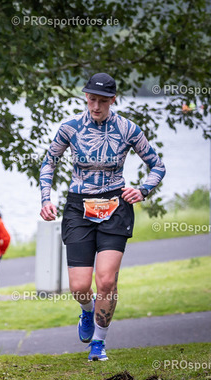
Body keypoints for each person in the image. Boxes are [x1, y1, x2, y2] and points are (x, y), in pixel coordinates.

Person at [39, 72, 166, 361]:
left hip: (115, 207)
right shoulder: (70, 128)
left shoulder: (128, 129)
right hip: (79, 208)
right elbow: (48, 163)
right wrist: (46, 199)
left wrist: (143, 190)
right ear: (86, 97)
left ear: (113, 100)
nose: (96, 106)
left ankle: (99, 342)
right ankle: (87, 310)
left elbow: (157, 166)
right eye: (92, 99)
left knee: (106, 281)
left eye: (103, 101)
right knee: (80, 286)